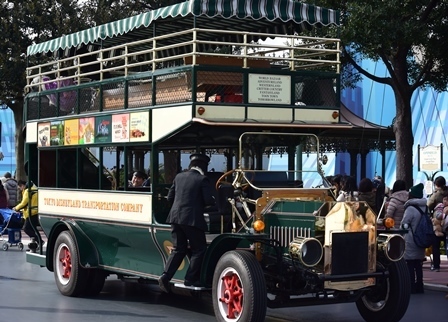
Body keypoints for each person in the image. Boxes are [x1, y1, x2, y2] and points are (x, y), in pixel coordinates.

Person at [158, 153, 216, 292]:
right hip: (192, 219)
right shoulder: (202, 179)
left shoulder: (179, 177)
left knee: (178, 249)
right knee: (199, 249)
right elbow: (208, 201)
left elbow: (170, 197)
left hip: (175, 218)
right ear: (204, 167)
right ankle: (190, 279)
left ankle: (165, 276)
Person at [401, 183, 427, 294]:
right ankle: (420, 285)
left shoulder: (410, 208)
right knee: (418, 264)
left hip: (411, 238)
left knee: (410, 264)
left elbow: (404, 223)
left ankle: (411, 286)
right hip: (421, 238)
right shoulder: (425, 207)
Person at [426, 176, 448, 272]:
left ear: (436, 185)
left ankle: (436, 266)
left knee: (436, 245)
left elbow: (427, 207)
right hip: (447, 222)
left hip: (438, 224)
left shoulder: (435, 195)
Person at [12, 180, 42, 249]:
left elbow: (24, 203)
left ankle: (39, 241)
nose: (20, 189)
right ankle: (35, 244)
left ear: (22, 185)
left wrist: (16, 208)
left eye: (20, 187)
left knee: (26, 228)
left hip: (31, 213)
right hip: (35, 212)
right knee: (32, 229)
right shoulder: (34, 188)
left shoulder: (27, 191)